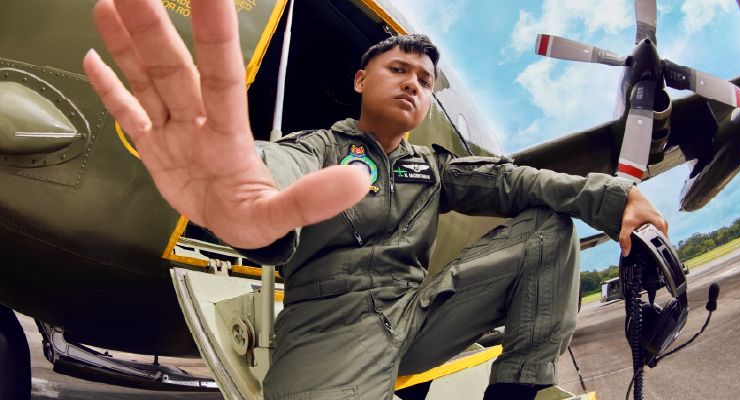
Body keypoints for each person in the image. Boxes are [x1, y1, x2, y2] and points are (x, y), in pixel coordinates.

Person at [83, 1, 668, 399]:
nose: (414, 82)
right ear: (362, 80)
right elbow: (279, 165)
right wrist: (244, 182)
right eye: (399, 69)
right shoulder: (320, 145)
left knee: (550, 228)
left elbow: (516, 182)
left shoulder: (432, 167)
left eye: (424, 78)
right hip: (330, 327)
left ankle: (519, 389)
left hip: (415, 316)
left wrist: (617, 199)